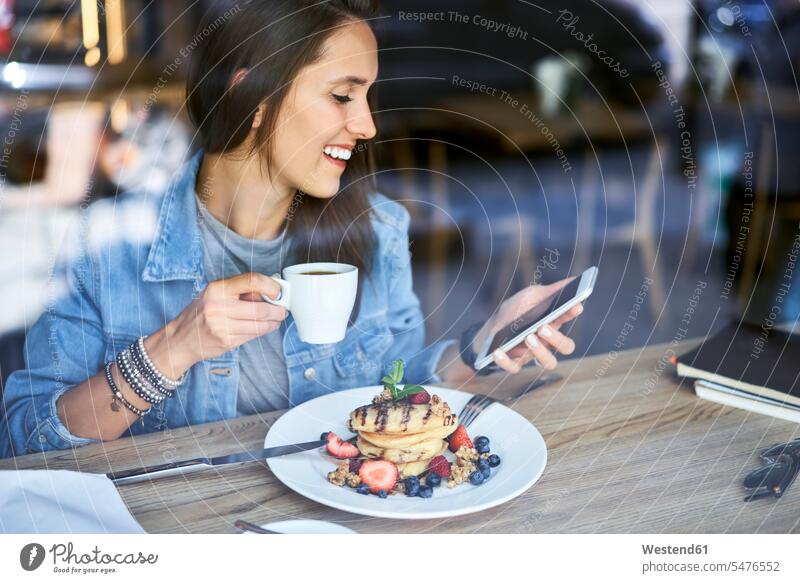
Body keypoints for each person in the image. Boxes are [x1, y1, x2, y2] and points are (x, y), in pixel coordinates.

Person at [0, 0, 582, 458]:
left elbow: (396, 398)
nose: (368, 125)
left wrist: (485, 348)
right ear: (251, 92)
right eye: (341, 96)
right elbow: (26, 442)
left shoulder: (377, 230)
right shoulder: (107, 248)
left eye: (368, 97)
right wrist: (173, 348)